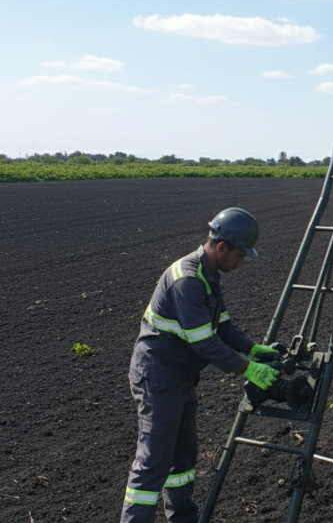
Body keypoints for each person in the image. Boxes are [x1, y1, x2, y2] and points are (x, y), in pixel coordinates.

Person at [121, 207, 280, 523]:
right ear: (221, 247)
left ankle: (183, 518)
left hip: (180, 378)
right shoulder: (188, 280)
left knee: (182, 458)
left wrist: (253, 348)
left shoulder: (211, 277)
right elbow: (204, 342)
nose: (242, 262)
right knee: (153, 461)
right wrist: (248, 368)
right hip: (158, 377)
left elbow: (221, 326)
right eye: (240, 255)